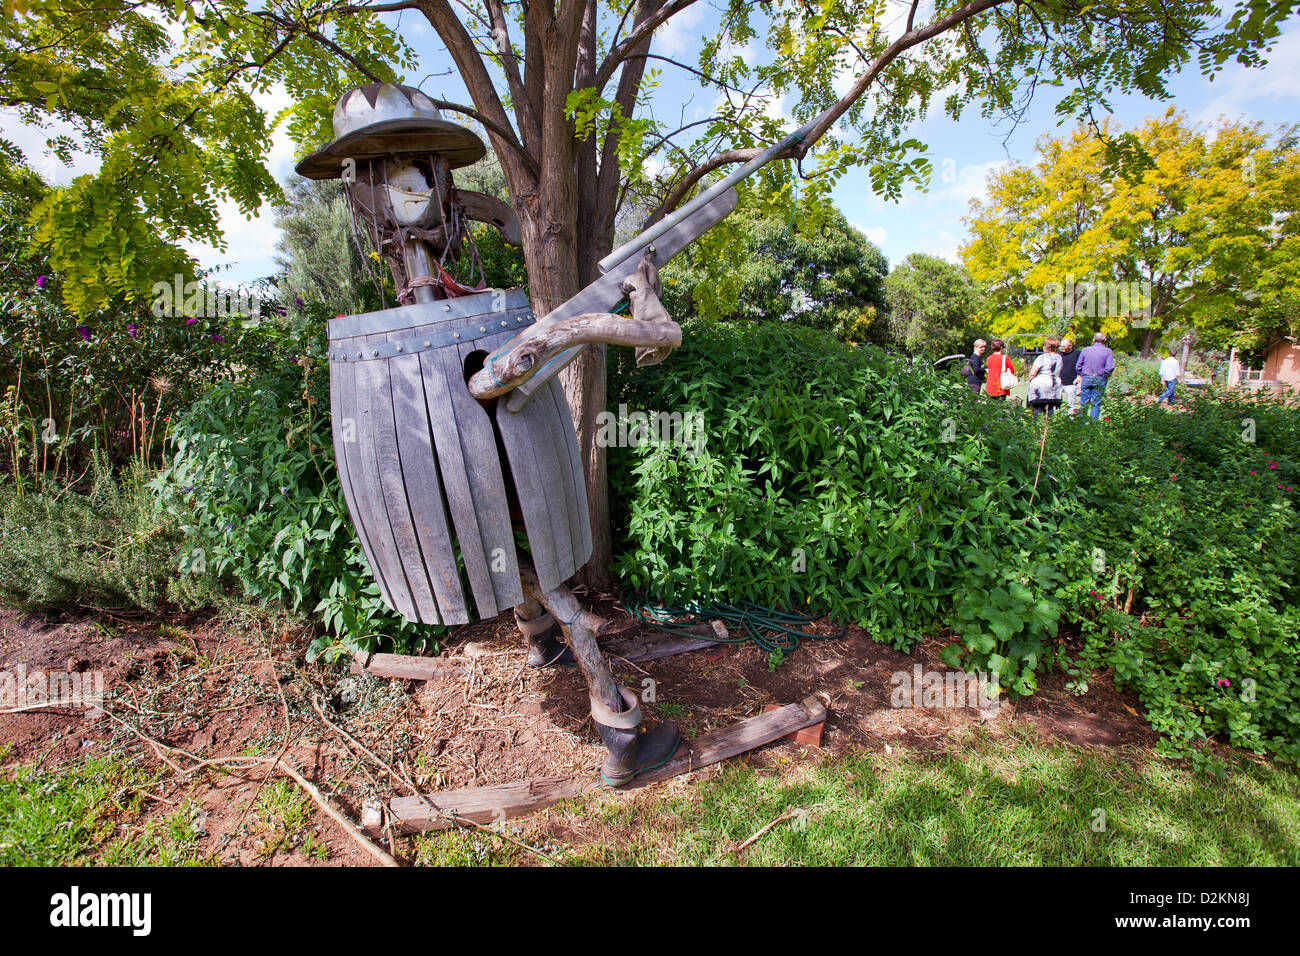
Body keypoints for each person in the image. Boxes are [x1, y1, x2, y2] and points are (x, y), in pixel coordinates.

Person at [1075, 332, 1115, 419]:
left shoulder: (1085, 350)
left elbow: (1078, 366)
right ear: (1105, 340)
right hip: (1100, 378)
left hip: (1086, 377)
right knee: (1096, 403)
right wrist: (1104, 375)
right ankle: (1093, 425)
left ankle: (1080, 424)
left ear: (1093, 340)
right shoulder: (1108, 351)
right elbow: (1110, 367)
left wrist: (1082, 374)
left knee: (1084, 402)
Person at [1026, 337, 1065, 417]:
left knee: (1038, 408)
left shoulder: (1043, 357)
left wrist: (1031, 380)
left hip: (1041, 385)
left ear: (1047, 346)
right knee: (1050, 408)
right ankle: (1048, 425)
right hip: (1054, 385)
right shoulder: (1059, 358)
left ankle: (1038, 426)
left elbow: (1033, 373)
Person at [1059, 338, 1081, 414]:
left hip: (1071, 383)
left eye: (1063, 346)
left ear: (1070, 346)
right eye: (1060, 346)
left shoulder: (1078, 354)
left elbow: (1084, 365)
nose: (1061, 347)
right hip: (1059, 383)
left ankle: (1070, 419)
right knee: (1056, 403)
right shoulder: (1058, 354)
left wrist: (1080, 376)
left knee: (1071, 404)